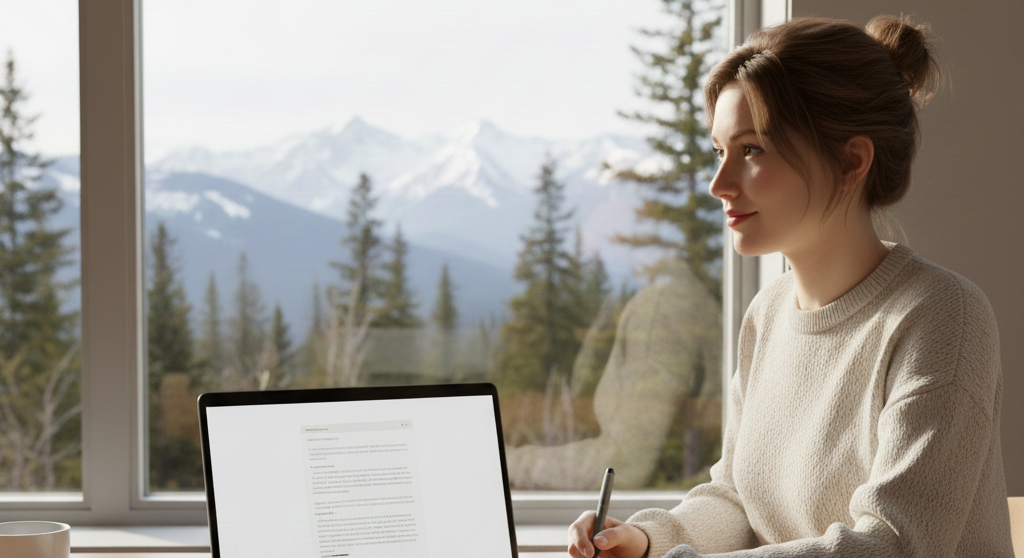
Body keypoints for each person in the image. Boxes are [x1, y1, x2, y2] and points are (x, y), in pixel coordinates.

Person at [568, 15, 1015, 558]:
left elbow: (892, 546)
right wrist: (645, 539)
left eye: (752, 150)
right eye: (719, 151)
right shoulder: (768, 313)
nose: (719, 184)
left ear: (851, 161)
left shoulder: (943, 318)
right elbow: (735, 499)